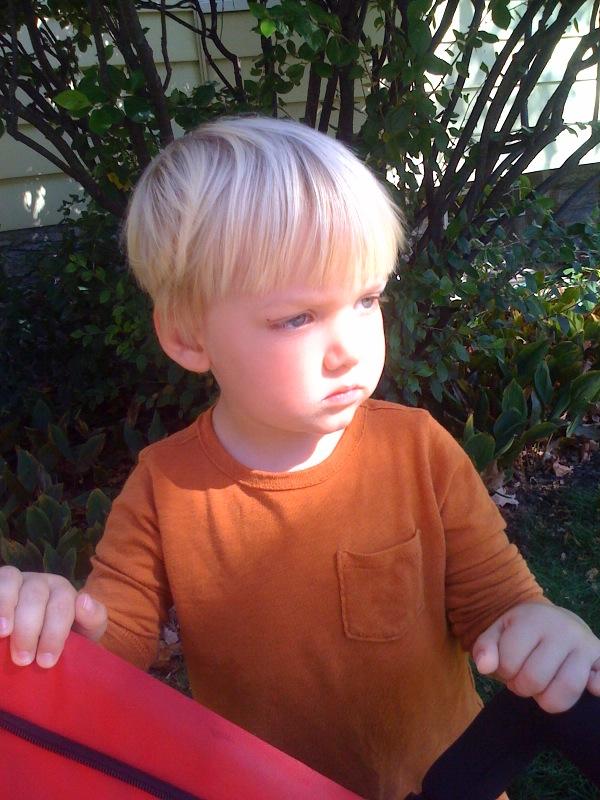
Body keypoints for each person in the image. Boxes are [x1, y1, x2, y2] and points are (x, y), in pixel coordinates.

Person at [0, 116, 599, 800]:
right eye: (298, 318)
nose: (350, 349)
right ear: (188, 336)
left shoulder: (418, 451)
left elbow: (500, 605)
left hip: (450, 784)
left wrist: (548, 628)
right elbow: (114, 646)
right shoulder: (167, 487)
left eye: (366, 299)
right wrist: (53, 621)